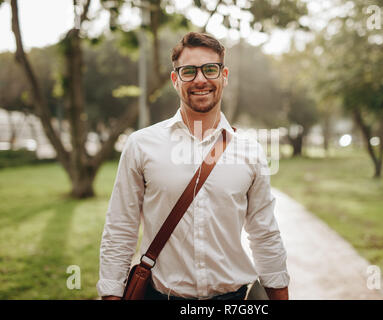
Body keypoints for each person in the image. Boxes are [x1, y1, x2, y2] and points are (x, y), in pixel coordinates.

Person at [97, 32, 290, 300]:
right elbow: (120, 228)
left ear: (224, 75)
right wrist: (111, 294)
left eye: (210, 69)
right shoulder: (141, 145)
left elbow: (265, 233)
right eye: (189, 71)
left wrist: (280, 293)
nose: (200, 79)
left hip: (232, 301)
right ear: (175, 80)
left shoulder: (249, 151)